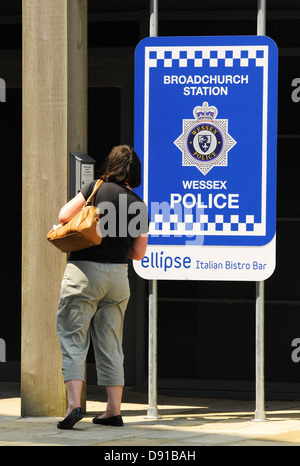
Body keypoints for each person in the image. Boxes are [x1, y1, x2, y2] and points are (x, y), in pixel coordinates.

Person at [56, 145, 148, 429]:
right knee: (111, 342)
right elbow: (138, 254)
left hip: (84, 271)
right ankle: (113, 410)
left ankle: (74, 405)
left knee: (73, 336)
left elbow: (63, 216)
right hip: (118, 277)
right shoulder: (138, 204)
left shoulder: (96, 187)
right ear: (135, 172)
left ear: (111, 164)